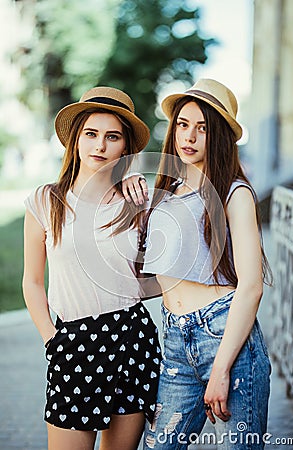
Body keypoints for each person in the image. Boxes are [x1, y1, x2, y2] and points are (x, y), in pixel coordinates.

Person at [22, 86, 161, 450]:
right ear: (76, 140)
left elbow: (155, 277)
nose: (100, 145)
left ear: (125, 147)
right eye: (91, 134)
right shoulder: (45, 200)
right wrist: (52, 340)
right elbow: (32, 281)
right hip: (72, 341)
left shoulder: (137, 203)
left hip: (131, 338)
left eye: (112, 137)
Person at [140, 79, 272, 450]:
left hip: (224, 339)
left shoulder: (234, 192)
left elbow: (251, 286)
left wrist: (221, 368)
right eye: (183, 124)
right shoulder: (167, 191)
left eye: (203, 128)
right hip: (176, 342)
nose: (190, 136)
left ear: (219, 136)